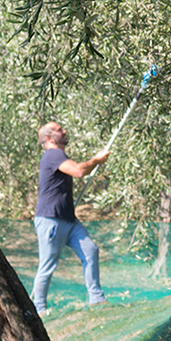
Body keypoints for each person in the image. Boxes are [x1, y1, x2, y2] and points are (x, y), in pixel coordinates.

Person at [33, 122, 109, 311]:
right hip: (51, 219)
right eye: (59, 130)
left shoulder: (57, 155)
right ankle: (39, 309)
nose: (64, 131)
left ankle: (97, 299)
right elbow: (79, 171)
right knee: (47, 266)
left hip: (68, 219)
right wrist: (96, 160)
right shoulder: (53, 154)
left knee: (90, 250)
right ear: (49, 138)